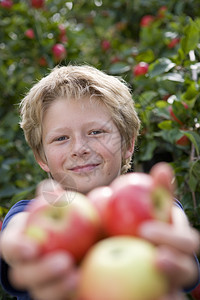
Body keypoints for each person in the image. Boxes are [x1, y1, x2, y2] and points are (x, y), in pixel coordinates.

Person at [0, 65, 199, 300]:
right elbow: (19, 230)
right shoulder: (30, 214)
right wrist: (22, 248)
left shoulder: (150, 206)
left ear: (127, 145)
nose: (79, 149)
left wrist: (168, 228)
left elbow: (173, 235)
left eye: (96, 132)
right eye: (61, 138)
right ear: (41, 158)